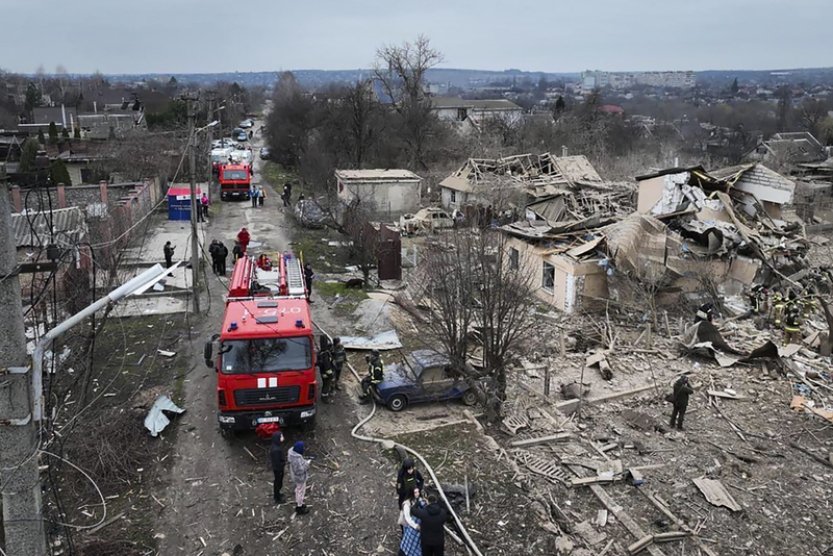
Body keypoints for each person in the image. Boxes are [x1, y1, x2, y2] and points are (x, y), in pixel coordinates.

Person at [399, 487, 426, 556]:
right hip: (408, 524)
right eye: (415, 492)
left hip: (414, 524)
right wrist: (415, 526)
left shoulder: (418, 500)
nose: (417, 494)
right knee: (407, 539)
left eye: (418, 492)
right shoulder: (407, 504)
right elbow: (408, 518)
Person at [288, 441, 311, 515]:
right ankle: (299, 507)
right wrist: (307, 464)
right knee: (301, 491)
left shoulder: (294, 455)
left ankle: (299, 502)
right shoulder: (296, 460)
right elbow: (299, 470)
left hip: (296, 477)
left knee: (299, 489)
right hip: (300, 478)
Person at [270, 428, 287, 504]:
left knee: (278, 482)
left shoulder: (276, 446)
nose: (283, 437)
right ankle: (277, 498)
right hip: (278, 469)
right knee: (278, 482)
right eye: (281, 436)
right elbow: (277, 462)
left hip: (278, 468)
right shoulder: (276, 450)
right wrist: (283, 464)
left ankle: (278, 494)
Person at [318, 337, 335, 402]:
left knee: (325, 384)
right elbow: (327, 367)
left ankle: (325, 395)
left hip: (322, 372)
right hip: (326, 374)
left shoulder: (320, 352)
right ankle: (324, 398)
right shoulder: (325, 355)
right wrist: (331, 375)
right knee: (326, 385)